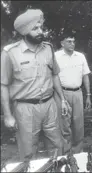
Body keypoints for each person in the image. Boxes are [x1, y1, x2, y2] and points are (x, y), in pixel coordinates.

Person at [0, 9, 68, 160]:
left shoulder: (48, 48)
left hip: (50, 105)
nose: (40, 31)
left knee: (57, 145)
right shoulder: (10, 53)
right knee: (28, 150)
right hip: (25, 108)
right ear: (24, 31)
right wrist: (8, 116)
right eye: (35, 28)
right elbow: (3, 85)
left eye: (41, 27)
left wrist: (62, 99)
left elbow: (55, 75)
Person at [54, 30, 91, 154]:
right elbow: (54, 77)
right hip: (62, 93)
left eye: (73, 41)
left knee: (78, 125)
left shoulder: (80, 56)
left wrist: (88, 96)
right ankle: (65, 153)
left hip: (78, 93)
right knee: (64, 125)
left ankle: (77, 153)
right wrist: (61, 98)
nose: (72, 44)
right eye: (69, 41)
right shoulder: (56, 56)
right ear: (62, 43)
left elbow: (86, 76)